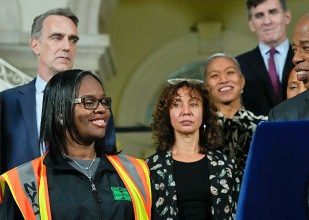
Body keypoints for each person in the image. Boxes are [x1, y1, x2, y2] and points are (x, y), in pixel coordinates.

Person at [0, 69, 151, 219]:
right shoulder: (24, 182)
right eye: (89, 102)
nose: (102, 109)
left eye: (104, 101)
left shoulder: (135, 171)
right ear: (60, 112)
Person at [0, 8, 116, 173]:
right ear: (35, 45)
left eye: (73, 40)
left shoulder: (97, 105)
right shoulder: (6, 102)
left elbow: (107, 162)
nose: (67, 46)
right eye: (57, 37)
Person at [146, 79, 241, 219]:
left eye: (193, 104)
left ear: (204, 113)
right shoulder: (151, 168)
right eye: (177, 104)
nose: (186, 112)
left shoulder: (225, 166)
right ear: (167, 114)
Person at [203, 53, 266, 172]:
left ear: (242, 81)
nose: (223, 80)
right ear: (206, 87)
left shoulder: (264, 126)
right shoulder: (199, 131)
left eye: (230, 72)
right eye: (214, 75)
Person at [236, 0, 294, 116]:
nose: (267, 21)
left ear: (287, 17)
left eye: (273, 12)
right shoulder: (238, 66)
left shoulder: (307, 59)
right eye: (259, 15)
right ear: (251, 24)